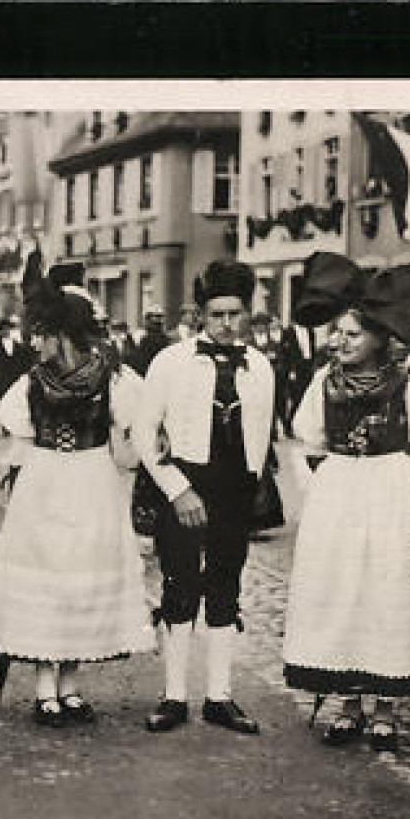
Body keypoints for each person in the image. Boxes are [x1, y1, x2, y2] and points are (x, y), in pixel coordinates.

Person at [280, 254, 410, 752]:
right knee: (344, 592)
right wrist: (328, 488)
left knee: (387, 591)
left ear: (379, 337)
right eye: (337, 334)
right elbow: (308, 439)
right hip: (340, 493)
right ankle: (349, 705)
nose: (340, 342)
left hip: (392, 492)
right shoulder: (322, 385)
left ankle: (385, 709)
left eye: (352, 335)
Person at [0, 253, 155, 726]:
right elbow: (21, 437)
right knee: (49, 577)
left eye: (44, 334)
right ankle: (43, 685)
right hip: (46, 481)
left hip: (92, 480)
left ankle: (71, 682)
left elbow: (131, 434)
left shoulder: (111, 379)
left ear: (66, 335)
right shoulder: (31, 384)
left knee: (81, 578)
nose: (36, 343)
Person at [134, 259, 276, 735]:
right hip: (185, 487)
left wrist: (254, 488)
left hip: (234, 490)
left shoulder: (260, 367)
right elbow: (142, 432)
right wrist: (178, 491)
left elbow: (261, 434)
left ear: (247, 313)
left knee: (225, 588)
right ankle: (174, 696)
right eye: (217, 315)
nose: (227, 324)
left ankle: (219, 697)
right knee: (179, 588)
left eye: (236, 314)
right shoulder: (170, 362)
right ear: (199, 315)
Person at [279, 321, 322, 435]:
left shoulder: (310, 331)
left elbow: (312, 350)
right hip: (295, 369)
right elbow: (284, 352)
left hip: (308, 366)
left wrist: (313, 366)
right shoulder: (288, 331)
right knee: (296, 397)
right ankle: (288, 425)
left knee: (306, 396)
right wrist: (290, 370)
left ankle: (299, 424)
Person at [0, 316, 33, 411]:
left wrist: (26, 375)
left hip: (14, 378)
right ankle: (4, 425)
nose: (5, 331)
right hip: (1, 378)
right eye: (3, 329)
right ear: (0, 330)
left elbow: (23, 362)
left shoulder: (17, 345)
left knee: (14, 402)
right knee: (3, 402)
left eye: (7, 329)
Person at [127, 301, 174, 377]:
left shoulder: (165, 339)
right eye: (156, 317)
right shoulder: (140, 337)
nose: (159, 320)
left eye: (160, 317)